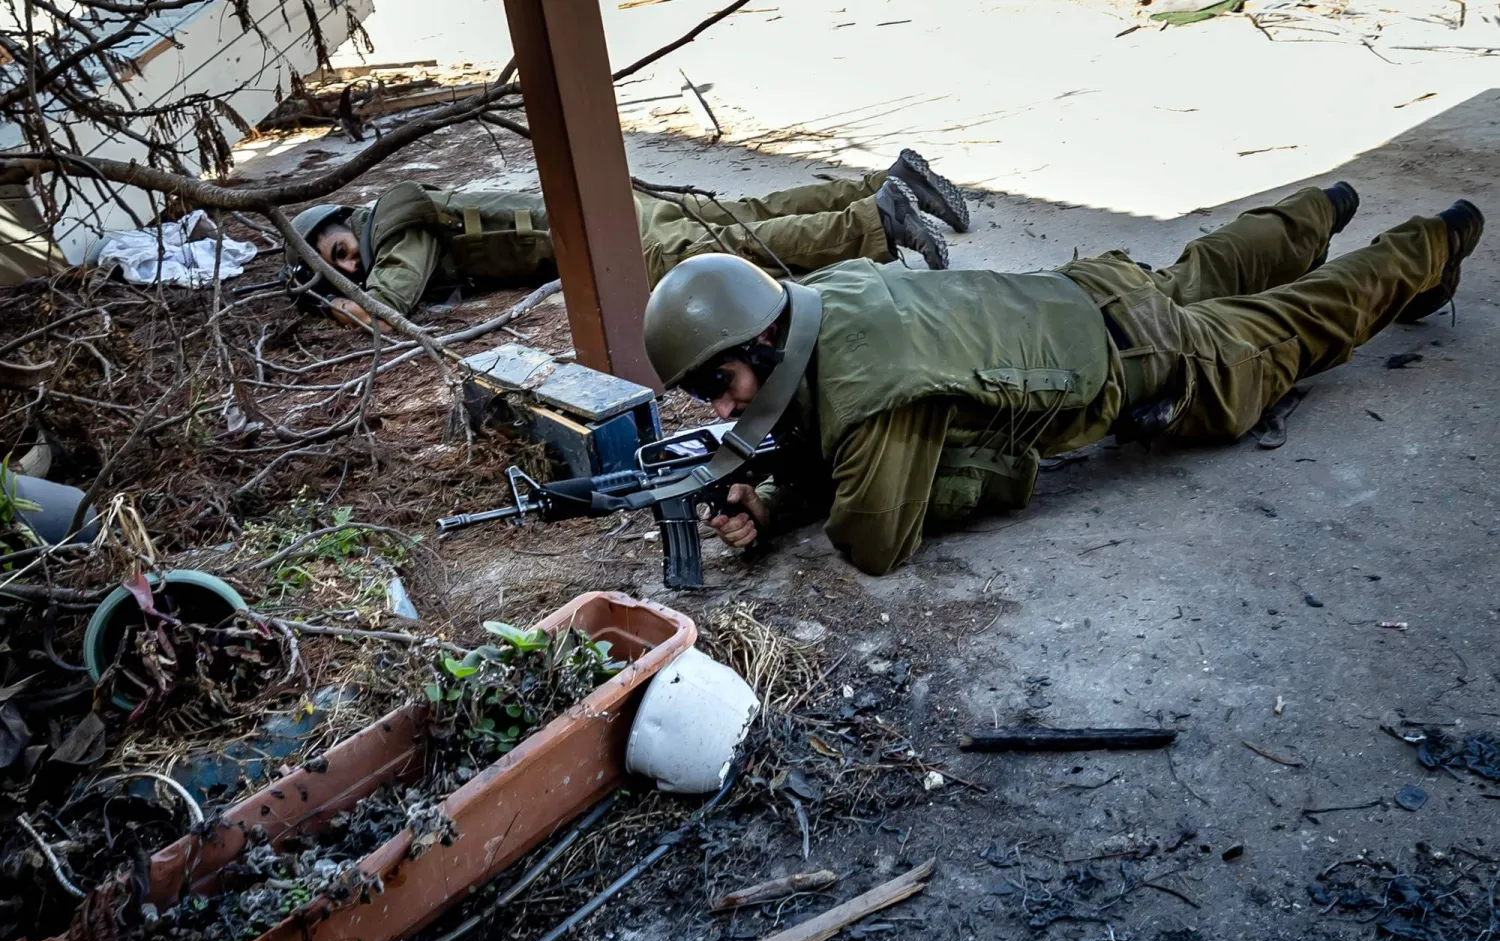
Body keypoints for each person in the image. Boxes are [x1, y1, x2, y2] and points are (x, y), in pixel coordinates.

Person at [640, 184, 1485, 576]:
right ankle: (1320, 209)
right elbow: (828, 405)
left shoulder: (872, 400)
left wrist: (784, 501)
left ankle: (1434, 241)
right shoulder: (829, 293)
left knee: (1301, 322)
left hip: (1156, 363)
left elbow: (874, 541)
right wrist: (769, 489)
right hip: (1089, 290)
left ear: (763, 337)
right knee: (1203, 270)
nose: (720, 406)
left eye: (721, 378)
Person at [283, 149, 967, 329]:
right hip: (601, 213)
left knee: (727, 249)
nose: (351, 265)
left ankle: (877, 221)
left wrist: (349, 304)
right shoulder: (398, 214)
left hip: (597, 238)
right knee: (738, 214)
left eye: (339, 254)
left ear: (344, 222)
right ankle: (890, 184)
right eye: (340, 269)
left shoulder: (392, 225)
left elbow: (388, 300)